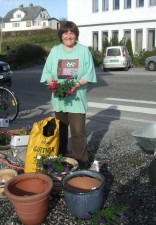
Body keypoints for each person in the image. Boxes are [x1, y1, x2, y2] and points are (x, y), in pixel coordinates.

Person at [40, 21, 97, 168]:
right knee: (61, 131)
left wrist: (76, 85)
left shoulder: (83, 51)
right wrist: (52, 83)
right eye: (65, 33)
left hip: (77, 99)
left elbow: (89, 72)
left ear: (76, 35)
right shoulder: (55, 51)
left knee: (78, 133)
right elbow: (47, 71)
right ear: (61, 35)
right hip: (60, 100)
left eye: (71, 32)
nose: (68, 36)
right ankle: (61, 160)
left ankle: (81, 163)